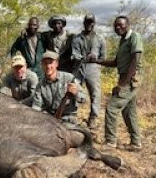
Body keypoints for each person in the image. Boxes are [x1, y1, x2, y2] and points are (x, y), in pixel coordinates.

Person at [89, 15, 143, 150]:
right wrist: (96, 61)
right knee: (129, 111)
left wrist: (121, 85)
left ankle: (110, 141)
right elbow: (115, 62)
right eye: (116, 26)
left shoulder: (134, 37)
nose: (118, 27)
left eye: (121, 25)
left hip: (130, 79)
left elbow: (135, 61)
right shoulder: (122, 41)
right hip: (125, 78)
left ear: (128, 24)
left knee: (111, 108)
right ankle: (136, 143)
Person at [72, 13, 106, 129]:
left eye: (91, 22)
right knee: (74, 90)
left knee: (95, 93)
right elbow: (75, 54)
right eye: (87, 22)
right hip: (79, 67)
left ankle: (93, 118)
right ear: (84, 23)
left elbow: (103, 57)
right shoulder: (77, 38)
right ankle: (72, 115)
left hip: (93, 68)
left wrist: (96, 60)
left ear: (94, 23)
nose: (89, 24)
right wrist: (84, 58)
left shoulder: (100, 39)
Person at [32, 50, 85, 124]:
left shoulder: (69, 78)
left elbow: (83, 99)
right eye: (45, 63)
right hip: (49, 120)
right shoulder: (40, 85)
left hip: (68, 119)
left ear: (56, 64)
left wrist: (76, 93)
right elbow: (36, 107)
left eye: (51, 63)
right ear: (41, 65)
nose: (48, 66)